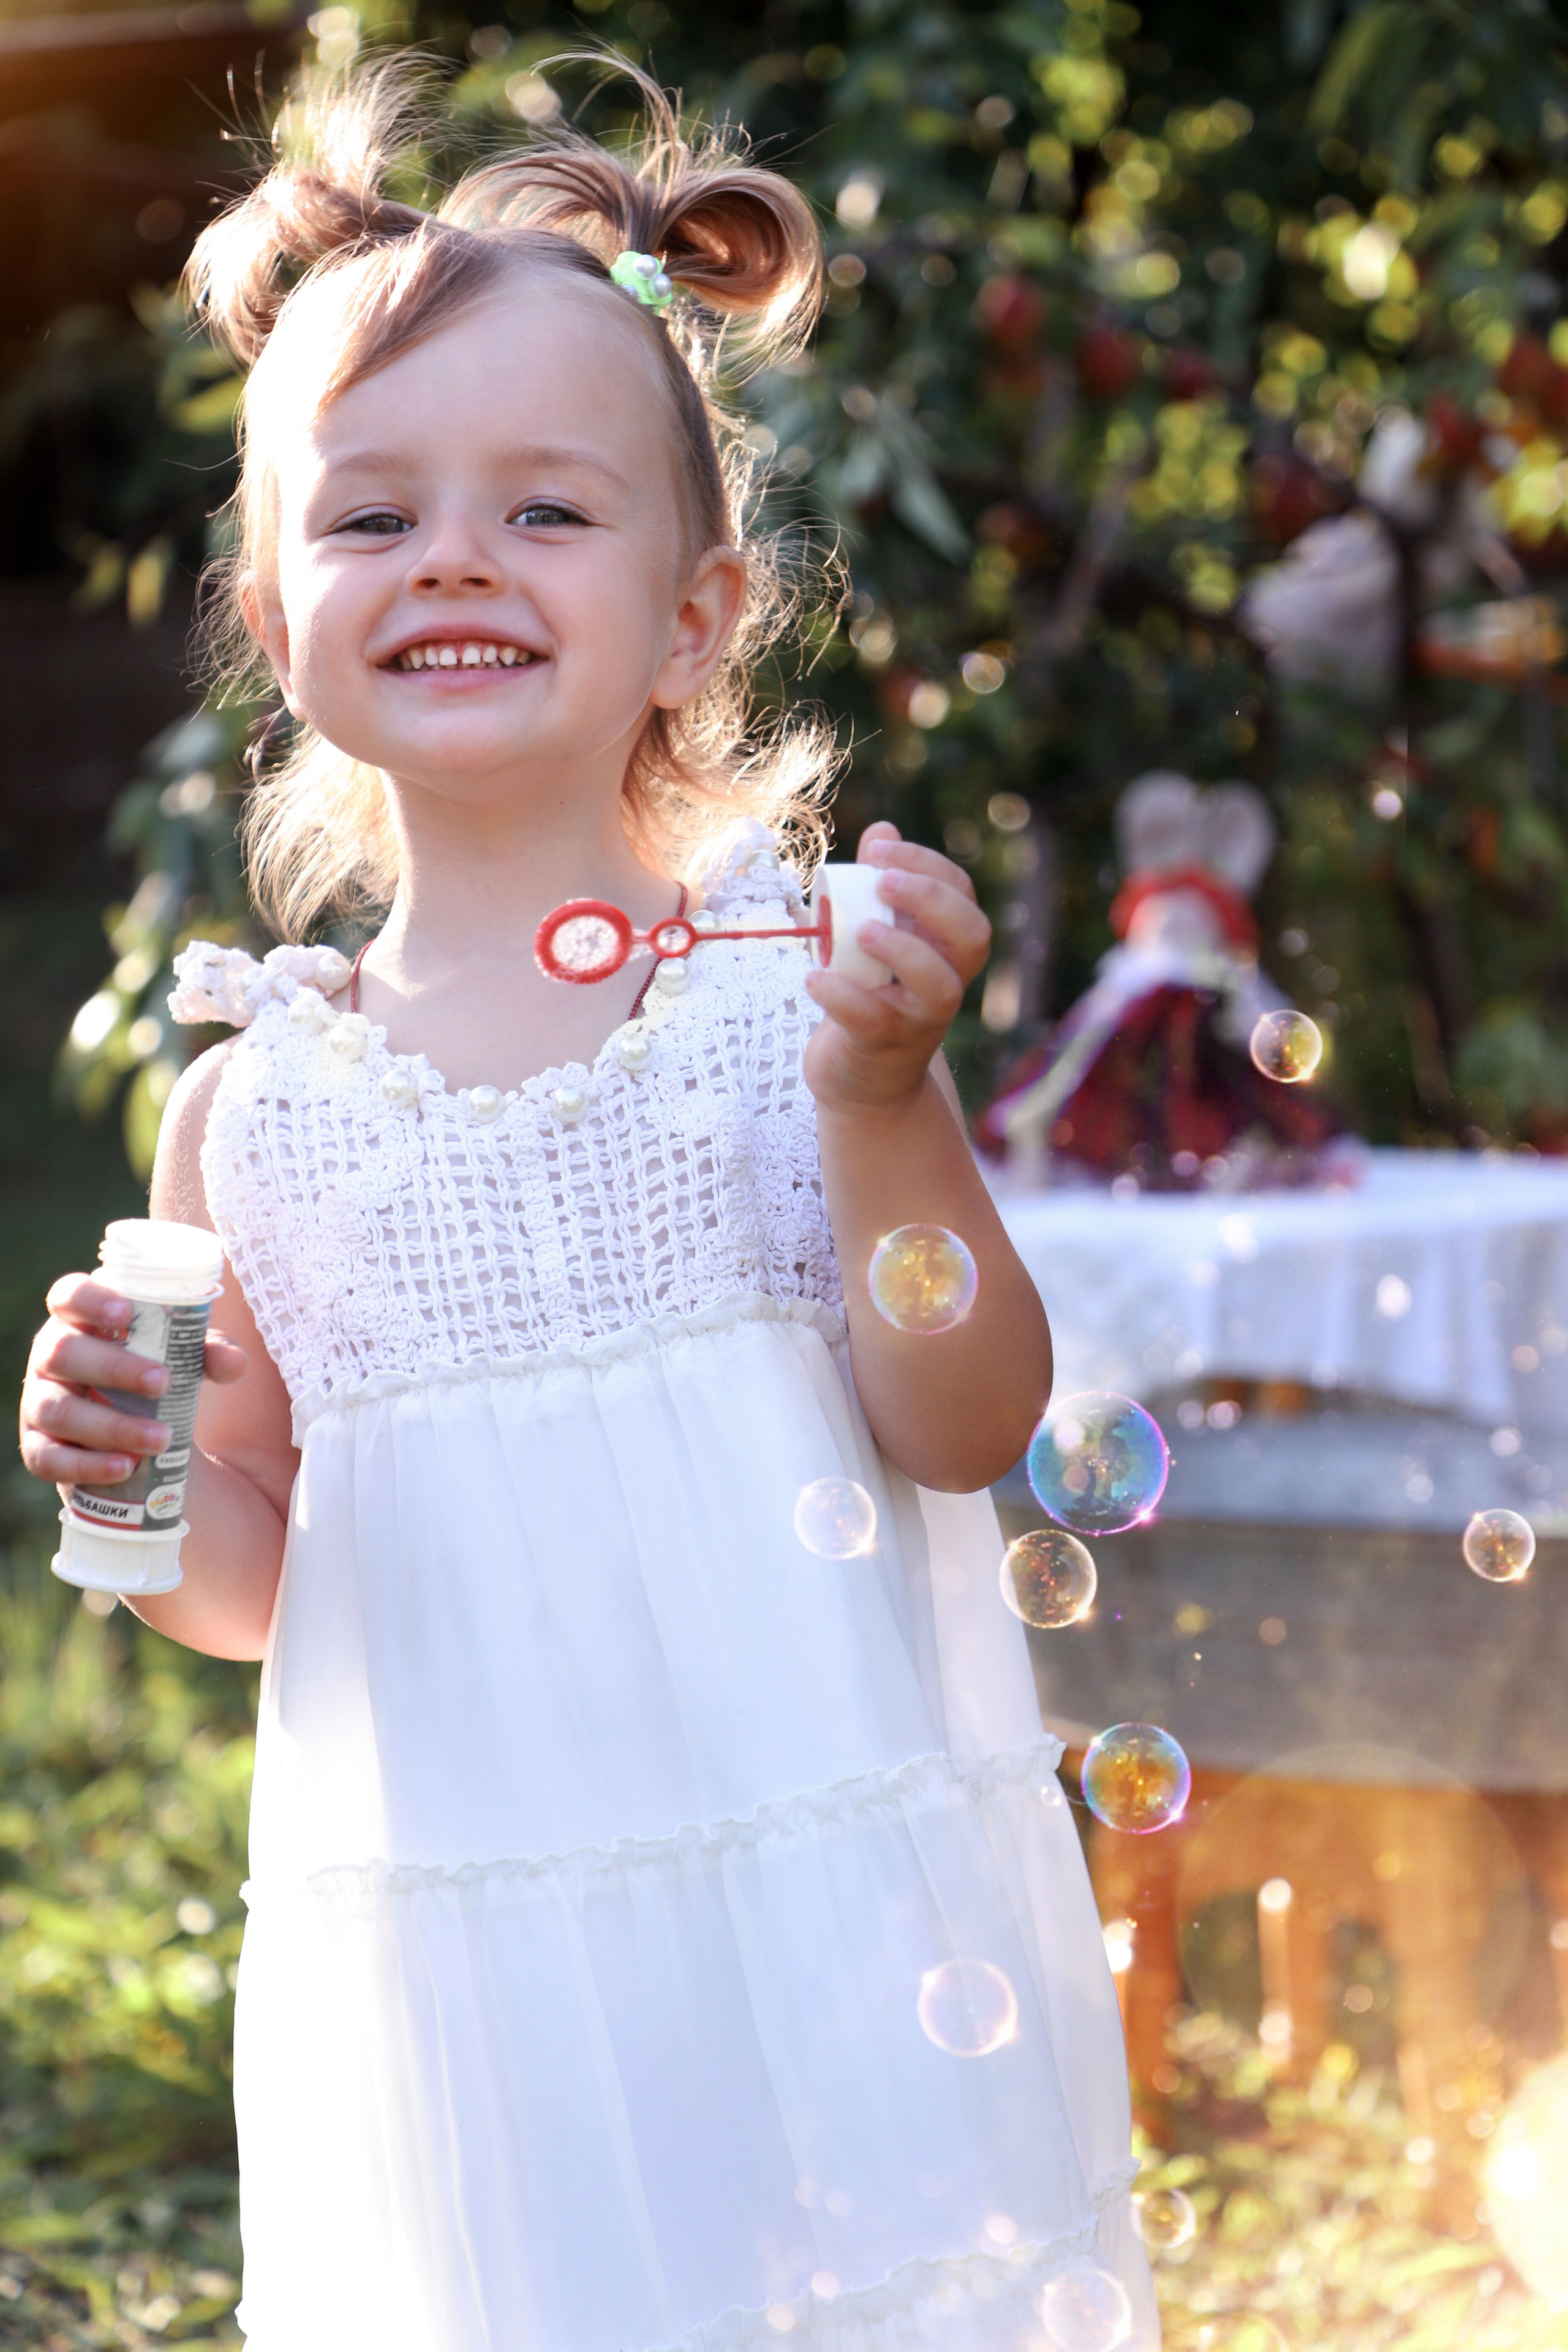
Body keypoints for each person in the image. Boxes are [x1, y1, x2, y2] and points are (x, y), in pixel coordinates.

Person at [19, 61, 1156, 2351]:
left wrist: (886, 1101)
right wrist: (128, 1488)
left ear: (699, 609)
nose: (452, 558)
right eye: (373, 518)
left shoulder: (788, 998)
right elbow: (252, 1580)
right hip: (471, 1957)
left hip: (829, 1900)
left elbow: (963, 1426)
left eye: (546, 511)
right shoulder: (257, 1109)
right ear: (271, 598)